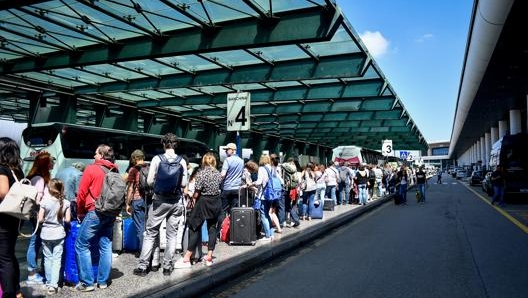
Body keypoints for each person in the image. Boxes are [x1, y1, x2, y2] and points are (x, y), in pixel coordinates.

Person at [133, 133, 187, 277]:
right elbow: (183, 184)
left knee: (151, 233)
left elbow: (150, 181)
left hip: (159, 201)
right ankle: (167, 267)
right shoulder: (182, 161)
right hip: (176, 202)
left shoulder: (157, 159)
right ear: (176, 145)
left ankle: (143, 266)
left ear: (164, 144)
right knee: (172, 235)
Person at [75, 144, 120, 291]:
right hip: (111, 212)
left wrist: (80, 212)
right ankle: (103, 282)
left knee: (81, 244)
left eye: (95, 153)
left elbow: (81, 193)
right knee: (106, 245)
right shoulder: (115, 169)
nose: (94, 156)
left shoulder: (91, 169)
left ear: (101, 155)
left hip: (95, 211)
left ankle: (87, 283)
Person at [175, 152, 222, 268]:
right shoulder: (218, 174)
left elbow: (197, 192)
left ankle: (187, 257)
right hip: (216, 201)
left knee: (194, 226)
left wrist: (192, 196)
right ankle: (209, 256)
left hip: (203, 202)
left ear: (204, 161)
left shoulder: (201, 174)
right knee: (212, 228)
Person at [0, 137, 25, 298]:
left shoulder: (2, 169)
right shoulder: (17, 170)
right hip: (15, 219)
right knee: (9, 254)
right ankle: (16, 291)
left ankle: (9, 293)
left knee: (3, 259)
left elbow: (3, 192)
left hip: (3, 220)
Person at [25, 151, 55, 285]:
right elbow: (38, 200)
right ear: (45, 164)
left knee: (37, 242)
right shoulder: (39, 179)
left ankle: (36, 270)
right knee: (35, 242)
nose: (53, 163)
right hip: (37, 215)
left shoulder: (36, 177)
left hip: (35, 215)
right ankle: (32, 273)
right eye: (51, 161)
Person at [38, 178, 71, 294]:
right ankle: (54, 285)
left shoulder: (45, 201)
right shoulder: (66, 203)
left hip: (46, 234)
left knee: (48, 259)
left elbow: (40, 219)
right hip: (59, 234)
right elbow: (67, 220)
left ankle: (48, 282)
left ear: (50, 189)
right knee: (57, 259)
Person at [217, 143, 244, 237]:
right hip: (237, 189)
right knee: (234, 210)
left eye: (227, 149)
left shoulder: (227, 160)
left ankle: (220, 232)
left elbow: (223, 174)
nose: (225, 151)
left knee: (223, 210)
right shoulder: (241, 161)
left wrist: (217, 181)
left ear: (233, 150)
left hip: (227, 188)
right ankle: (233, 232)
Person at [125, 149, 148, 256]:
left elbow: (130, 189)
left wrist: (128, 203)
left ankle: (142, 251)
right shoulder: (149, 167)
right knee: (148, 227)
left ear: (134, 158)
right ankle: (149, 250)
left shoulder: (133, 170)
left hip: (137, 200)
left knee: (140, 227)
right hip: (149, 201)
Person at [252, 154, 276, 241]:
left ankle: (267, 236)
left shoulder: (262, 168)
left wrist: (252, 183)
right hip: (271, 194)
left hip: (263, 195)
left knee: (263, 215)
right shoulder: (272, 168)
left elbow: (259, 182)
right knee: (267, 214)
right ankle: (271, 234)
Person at [281, 158, 300, 228]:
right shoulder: (296, 169)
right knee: (293, 205)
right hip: (295, 189)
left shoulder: (287, 168)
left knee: (287, 206)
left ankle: (293, 220)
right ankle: (293, 220)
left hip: (288, 189)